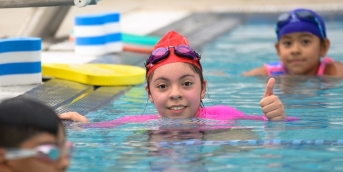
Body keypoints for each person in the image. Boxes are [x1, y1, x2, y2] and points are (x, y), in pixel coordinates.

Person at [60, 30, 287, 124]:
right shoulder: (137, 123)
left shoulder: (225, 116)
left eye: (186, 83)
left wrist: (276, 118)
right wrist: (81, 123)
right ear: (149, 93)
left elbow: (273, 127)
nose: (176, 94)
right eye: (162, 86)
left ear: (203, 88)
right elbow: (96, 129)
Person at [242, 8, 343, 77]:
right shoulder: (271, 73)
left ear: (323, 47)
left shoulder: (332, 71)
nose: (295, 50)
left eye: (305, 42)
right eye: (287, 43)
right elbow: (239, 79)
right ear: (278, 50)